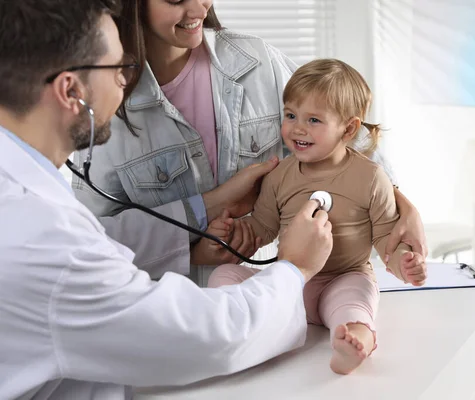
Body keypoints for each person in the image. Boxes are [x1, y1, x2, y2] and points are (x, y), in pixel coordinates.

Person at [0, 1, 333, 399]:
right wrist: (295, 268)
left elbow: (104, 239)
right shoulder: (48, 244)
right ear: (71, 91)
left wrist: (207, 205)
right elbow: (207, 337)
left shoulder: (21, 197)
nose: (129, 79)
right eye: (118, 67)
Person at [72, 0, 428, 286]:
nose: (199, 10)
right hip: (168, 311)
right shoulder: (106, 103)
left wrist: (400, 202)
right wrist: (191, 250)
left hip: (271, 296)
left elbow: (351, 140)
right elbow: (93, 240)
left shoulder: (257, 64)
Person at [207, 59, 427, 375]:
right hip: (290, 281)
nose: (298, 128)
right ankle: (232, 334)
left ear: (349, 128)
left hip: (342, 278)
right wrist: (236, 232)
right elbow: (264, 227)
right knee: (224, 276)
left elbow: (386, 239)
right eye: (291, 115)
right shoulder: (280, 175)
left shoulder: (370, 177)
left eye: (313, 120)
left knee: (355, 302)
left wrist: (405, 263)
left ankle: (353, 342)